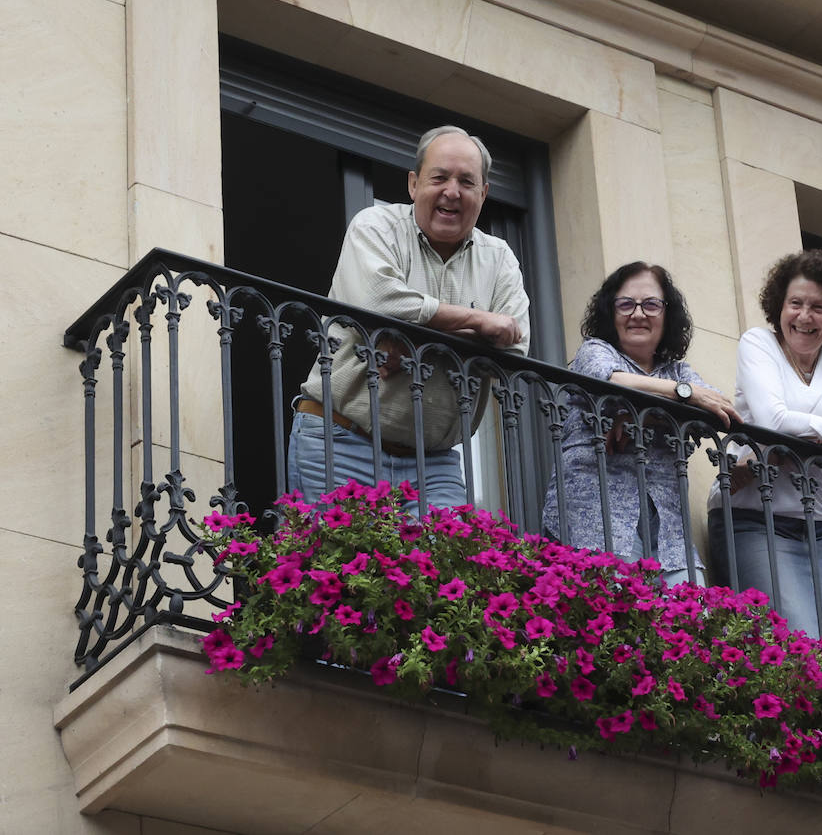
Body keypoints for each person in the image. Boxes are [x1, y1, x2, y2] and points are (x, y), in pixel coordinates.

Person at [287, 125, 530, 508]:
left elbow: (513, 350)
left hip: (434, 463)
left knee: (448, 567)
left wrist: (410, 339)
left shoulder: (499, 259)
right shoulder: (375, 226)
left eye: (467, 181)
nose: (452, 191)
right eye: (440, 177)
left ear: (483, 194)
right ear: (414, 184)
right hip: (340, 438)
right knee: (332, 567)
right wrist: (478, 321)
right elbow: (378, 302)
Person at [706, 248, 822, 640]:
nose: (804, 316)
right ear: (779, 306)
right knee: (793, 642)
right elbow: (773, 422)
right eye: (795, 303)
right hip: (754, 516)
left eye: (818, 307)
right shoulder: (758, 343)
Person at [542, 262, 737, 586]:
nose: (638, 313)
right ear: (610, 312)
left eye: (650, 304)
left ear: (666, 314)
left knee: (694, 618)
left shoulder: (676, 369)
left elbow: (717, 407)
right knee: (623, 615)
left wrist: (635, 415)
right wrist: (682, 396)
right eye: (626, 304)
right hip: (596, 515)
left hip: (668, 526)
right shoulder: (595, 350)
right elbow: (606, 381)